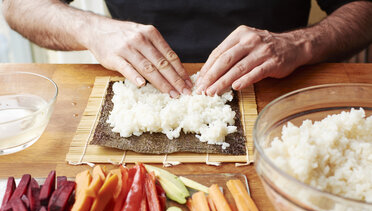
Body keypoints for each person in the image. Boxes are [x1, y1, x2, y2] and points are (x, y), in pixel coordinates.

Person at [2, 0, 372, 97]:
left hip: (276, 85)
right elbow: (19, 6)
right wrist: (90, 28)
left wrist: (301, 43)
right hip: (139, 89)